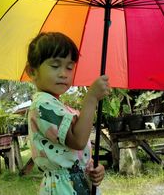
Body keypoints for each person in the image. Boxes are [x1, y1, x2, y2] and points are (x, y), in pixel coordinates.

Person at [27, 32, 109, 194]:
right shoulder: (43, 106)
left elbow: (76, 153)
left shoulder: (60, 107)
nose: (64, 73)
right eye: (55, 66)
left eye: (69, 67)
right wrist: (91, 98)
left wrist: (92, 167)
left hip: (77, 183)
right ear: (33, 72)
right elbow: (78, 141)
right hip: (63, 188)